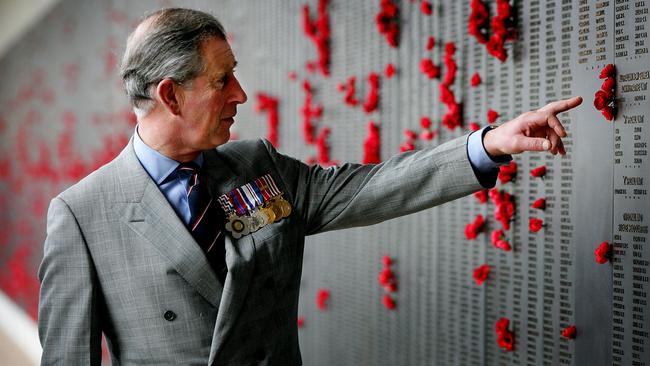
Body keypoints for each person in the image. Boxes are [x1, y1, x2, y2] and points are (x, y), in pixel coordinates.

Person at [37, 7, 582, 366]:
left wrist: (488, 145)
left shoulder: (257, 166)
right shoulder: (83, 215)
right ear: (171, 95)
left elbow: (370, 188)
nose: (241, 94)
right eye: (222, 79)